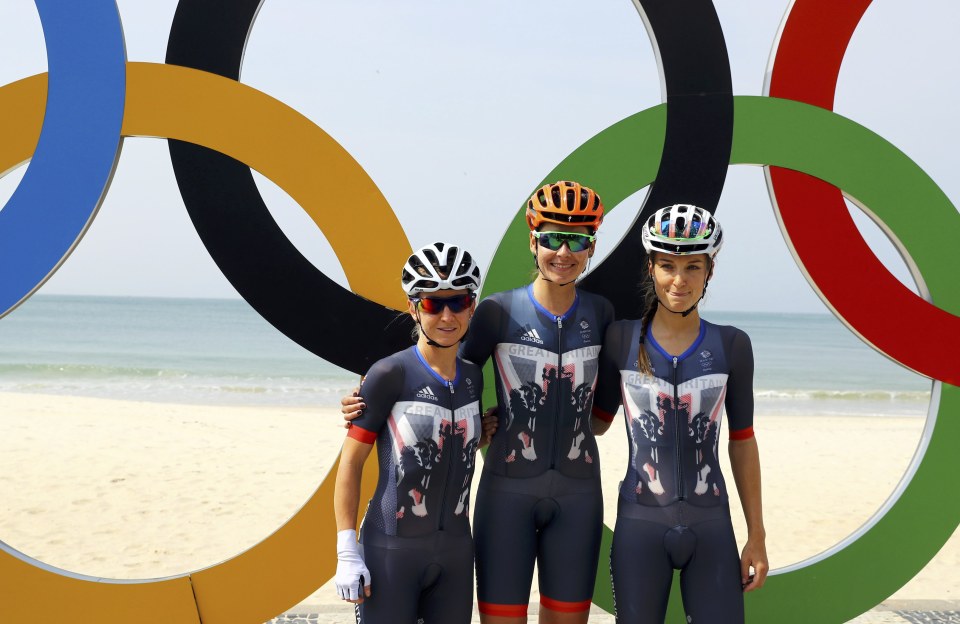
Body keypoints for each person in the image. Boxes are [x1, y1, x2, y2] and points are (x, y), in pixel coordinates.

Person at [343, 181, 615, 623]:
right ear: (532, 239)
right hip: (507, 491)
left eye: (579, 240)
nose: (564, 252)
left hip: (579, 493)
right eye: (551, 238)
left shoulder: (601, 314)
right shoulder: (495, 311)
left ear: (592, 246)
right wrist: (367, 395)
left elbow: (602, 418)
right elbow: (442, 372)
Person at [592, 204, 768, 624]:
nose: (680, 280)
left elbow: (742, 442)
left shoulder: (732, 345)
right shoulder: (619, 339)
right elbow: (594, 423)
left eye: (693, 267)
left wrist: (756, 536)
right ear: (651, 267)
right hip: (639, 525)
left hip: (712, 527)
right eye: (668, 265)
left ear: (710, 271)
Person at [333, 242, 495, 624]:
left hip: (456, 555)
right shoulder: (390, 374)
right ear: (413, 308)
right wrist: (346, 548)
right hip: (391, 552)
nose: (446, 315)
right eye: (431, 303)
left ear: (472, 305)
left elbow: (442, 443)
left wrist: (481, 434)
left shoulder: (472, 376)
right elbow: (351, 464)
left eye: (457, 302)